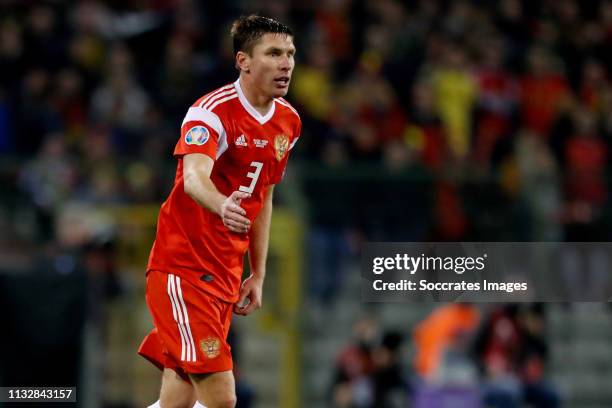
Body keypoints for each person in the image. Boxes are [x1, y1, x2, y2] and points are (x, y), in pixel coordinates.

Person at [138, 15, 300, 408]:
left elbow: (265, 197)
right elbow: (193, 178)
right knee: (221, 398)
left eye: (291, 54)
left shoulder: (288, 122)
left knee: (178, 398)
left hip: (223, 274)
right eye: (274, 53)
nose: (286, 63)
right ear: (243, 61)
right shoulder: (209, 112)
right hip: (184, 267)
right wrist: (222, 205)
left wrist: (257, 272)